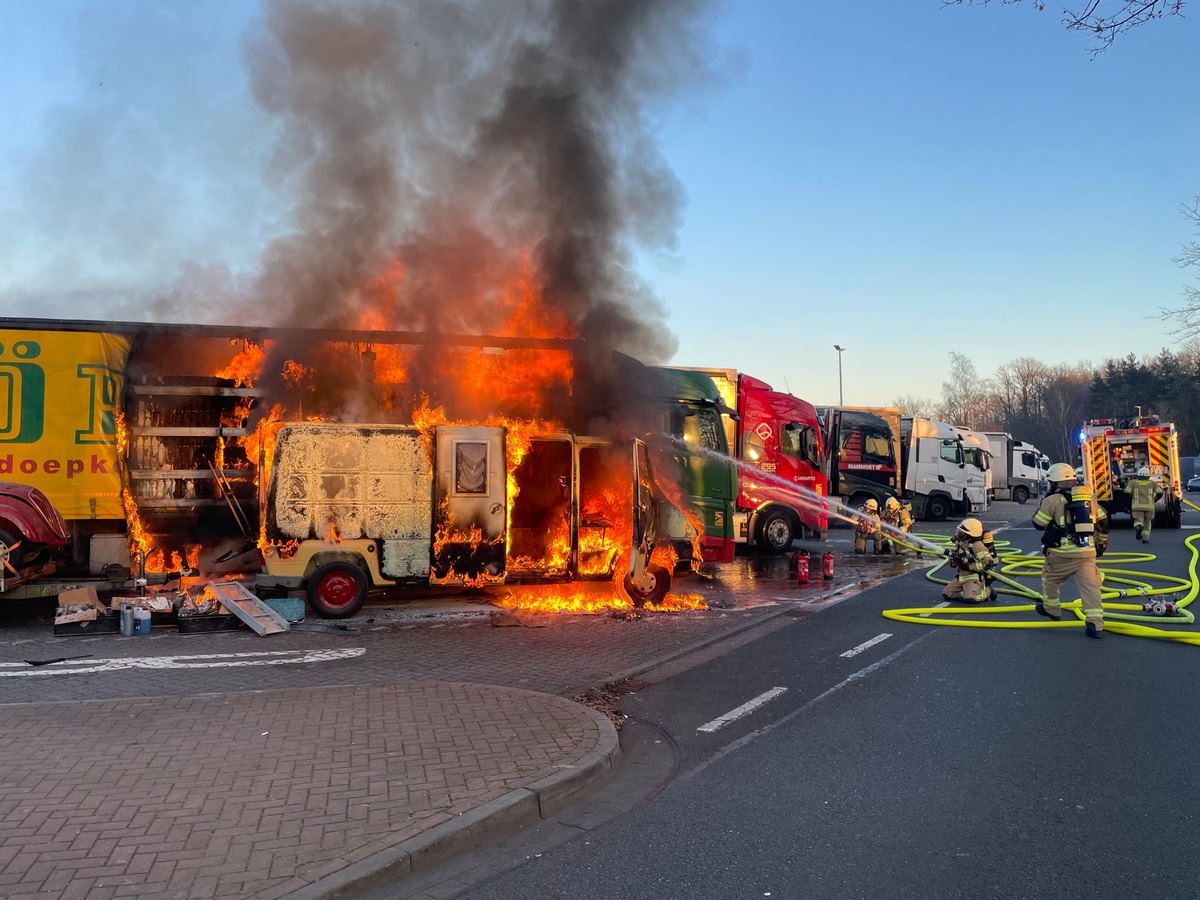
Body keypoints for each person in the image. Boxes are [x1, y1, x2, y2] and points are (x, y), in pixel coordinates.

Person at [1032, 462, 1109, 638]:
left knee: (1049, 578)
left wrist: (1044, 501)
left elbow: (1038, 523)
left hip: (1061, 555)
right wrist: (1100, 544)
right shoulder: (1089, 500)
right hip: (1087, 553)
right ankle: (1095, 625)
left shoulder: (1052, 500)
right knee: (1091, 588)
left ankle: (1052, 609)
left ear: (1055, 482)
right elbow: (1103, 523)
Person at [942, 517, 997, 603]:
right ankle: (967, 592)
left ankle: (988, 592)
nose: (958, 535)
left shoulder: (976, 546)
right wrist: (953, 561)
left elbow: (987, 563)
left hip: (973, 577)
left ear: (969, 535)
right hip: (962, 576)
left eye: (961, 533)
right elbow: (953, 558)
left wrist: (971, 566)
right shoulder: (960, 544)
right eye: (958, 532)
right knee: (947, 594)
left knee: (971, 599)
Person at [1126, 466, 1162, 544]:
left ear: (1138, 475)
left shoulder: (1133, 482)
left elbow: (1127, 492)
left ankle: (1139, 527)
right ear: (1148, 476)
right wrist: (1155, 499)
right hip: (1149, 507)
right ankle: (1145, 539)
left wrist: (1131, 499)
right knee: (1147, 522)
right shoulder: (1152, 483)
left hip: (1137, 506)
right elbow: (1160, 492)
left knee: (1138, 520)